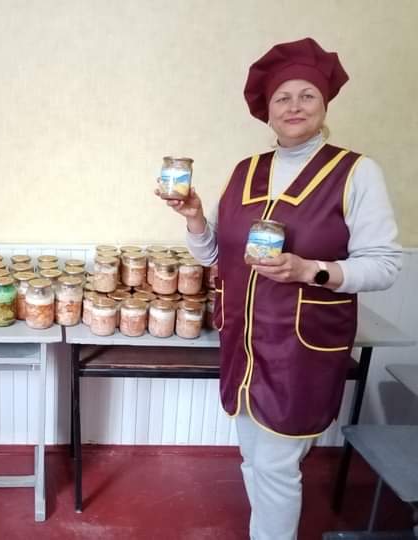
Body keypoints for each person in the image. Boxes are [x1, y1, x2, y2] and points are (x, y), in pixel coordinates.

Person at [158, 37, 402, 540]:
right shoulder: (245, 171)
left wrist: (310, 270)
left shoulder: (356, 173)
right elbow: (214, 256)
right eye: (282, 98)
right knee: (256, 459)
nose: (294, 106)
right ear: (267, 111)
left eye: (306, 95)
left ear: (324, 103)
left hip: (300, 350)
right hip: (243, 345)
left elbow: (384, 266)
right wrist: (196, 218)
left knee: (274, 466)